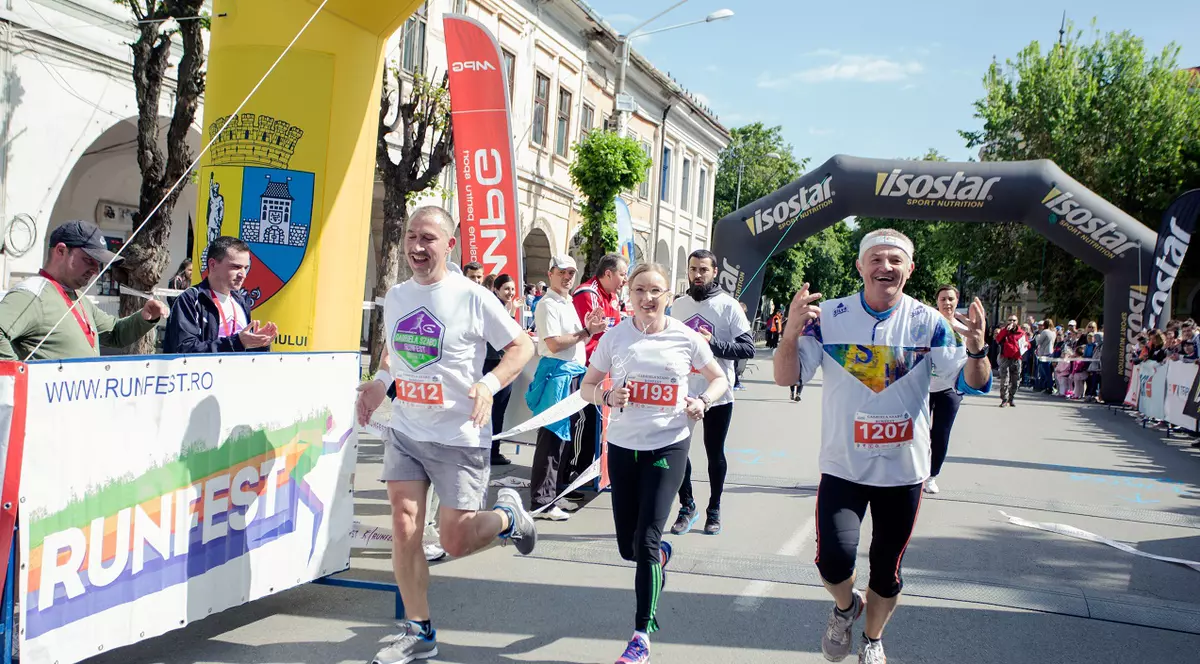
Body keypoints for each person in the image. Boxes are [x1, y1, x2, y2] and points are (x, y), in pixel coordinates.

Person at [773, 229, 991, 664]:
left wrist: (978, 347)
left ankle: (872, 639)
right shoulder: (829, 316)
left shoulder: (929, 322)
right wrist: (790, 334)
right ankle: (845, 608)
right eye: (875, 259)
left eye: (895, 260)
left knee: (886, 570)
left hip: (903, 471)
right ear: (860, 266)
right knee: (832, 563)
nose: (885, 267)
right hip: (843, 467)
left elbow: (972, 382)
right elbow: (786, 376)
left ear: (910, 270)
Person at [354, 206, 538, 664]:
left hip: (459, 435)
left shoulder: (473, 297)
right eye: (412, 236)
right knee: (404, 527)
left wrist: (489, 384)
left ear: (449, 244)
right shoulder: (396, 295)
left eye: (428, 238)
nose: (417, 246)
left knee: (454, 540)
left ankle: (508, 518)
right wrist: (380, 383)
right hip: (407, 431)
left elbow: (522, 345)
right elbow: (394, 352)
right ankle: (420, 631)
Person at [580, 262, 728, 664]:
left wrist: (703, 401)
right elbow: (586, 388)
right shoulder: (615, 337)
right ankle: (657, 555)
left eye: (656, 291)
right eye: (640, 290)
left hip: (668, 446)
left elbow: (719, 379)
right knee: (630, 548)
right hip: (624, 448)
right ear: (629, 293)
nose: (648, 298)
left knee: (645, 541)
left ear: (669, 296)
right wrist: (607, 398)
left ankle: (641, 636)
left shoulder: (686, 338)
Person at [668, 249, 754, 535]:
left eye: (704, 270)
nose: (698, 275)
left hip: (717, 394)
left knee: (714, 453)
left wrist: (713, 343)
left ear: (714, 272)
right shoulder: (678, 305)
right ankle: (687, 504)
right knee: (677, 451)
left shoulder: (728, 306)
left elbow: (747, 348)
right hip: (682, 392)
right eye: (693, 269)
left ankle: (714, 508)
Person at [0, 220, 168, 360]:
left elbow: (115, 333)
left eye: (98, 263)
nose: (95, 270)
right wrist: (19, 377)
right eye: (89, 260)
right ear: (61, 251)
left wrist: (144, 318)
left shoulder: (78, 298)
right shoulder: (32, 294)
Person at [526, 255, 607, 520]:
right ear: (550, 274)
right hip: (557, 377)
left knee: (562, 438)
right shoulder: (548, 303)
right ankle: (542, 501)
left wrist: (589, 330)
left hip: (568, 375)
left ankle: (552, 496)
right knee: (551, 438)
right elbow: (553, 344)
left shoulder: (565, 302)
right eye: (562, 272)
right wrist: (587, 332)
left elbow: (572, 339)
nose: (567, 277)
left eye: (571, 273)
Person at [570, 253, 629, 486]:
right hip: (586, 368)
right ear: (608, 273)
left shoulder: (612, 295)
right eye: (623, 274)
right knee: (583, 425)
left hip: (605, 369)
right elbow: (599, 334)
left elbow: (614, 333)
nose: (625, 280)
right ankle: (575, 472)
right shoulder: (588, 294)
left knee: (597, 425)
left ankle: (590, 472)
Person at [163, 236, 277, 354]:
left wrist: (259, 344)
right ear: (212, 265)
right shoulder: (190, 299)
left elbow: (245, 353)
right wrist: (237, 342)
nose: (243, 275)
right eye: (236, 267)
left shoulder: (241, 301)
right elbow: (184, 351)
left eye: (245, 268)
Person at [925, 285, 967, 495]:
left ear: (956, 301)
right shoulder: (930, 325)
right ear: (937, 302)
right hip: (923, 389)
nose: (947, 303)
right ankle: (915, 472)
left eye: (950, 299)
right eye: (943, 299)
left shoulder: (964, 329)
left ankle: (932, 476)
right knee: (918, 433)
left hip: (949, 391)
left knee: (940, 434)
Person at [484, 274, 522, 465]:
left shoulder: (501, 307)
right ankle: (492, 452)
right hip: (495, 363)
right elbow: (507, 338)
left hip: (495, 361)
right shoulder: (496, 308)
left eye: (512, 289)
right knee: (496, 410)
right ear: (496, 289)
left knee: (495, 410)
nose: (510, 293)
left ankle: (491, 450)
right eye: (506, 288)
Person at [994, 315, 1027, 407]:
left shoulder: (1021, 333)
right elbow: (998, 339)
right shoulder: (1005, 331)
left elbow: (1027, 344)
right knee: (1005, 379)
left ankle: (1011, 398)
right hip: (1005, 358)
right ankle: (1004, 399)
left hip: (1016, 359)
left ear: (1017, 321)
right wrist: (1005, 331)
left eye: (1014, 320)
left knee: (1015, 381)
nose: (1012, 321)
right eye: (1010, 320)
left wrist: (1026, 345)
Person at [1034, 319, 1057, 393]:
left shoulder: (1045, 331)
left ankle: (1048, 387)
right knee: (1048, 371)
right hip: (1051, 352)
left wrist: (1038, 336)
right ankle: (1047, 386)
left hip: (1044, 353)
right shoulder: (1053, 332)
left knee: (1045, 371)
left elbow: (1039, 342)